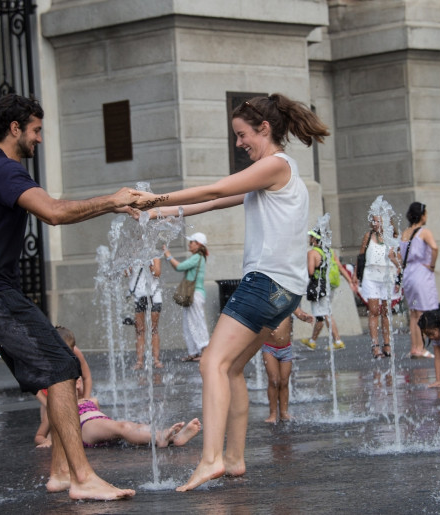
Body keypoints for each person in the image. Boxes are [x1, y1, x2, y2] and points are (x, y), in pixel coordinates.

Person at [133, 93, 329, 491]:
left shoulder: (274, 166)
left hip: (265, 284)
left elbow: (213, 189)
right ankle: (234, 459)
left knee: (211, 364)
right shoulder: (273, 174)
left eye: (242, 135)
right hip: (284, 291)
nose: (238, 143)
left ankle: (210, 460)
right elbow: (216, 202)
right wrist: (154, 212)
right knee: (232, 368)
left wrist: (154, 197)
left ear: (265, 129)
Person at [0, 93, 136, 501]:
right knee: (60, 364)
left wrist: (113, 206)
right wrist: (113, 200)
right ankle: (83, 479)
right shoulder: (4, 171)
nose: (39, 138)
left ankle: (59, 472)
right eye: (35, 130)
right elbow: (53, 212)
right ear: (15, 129)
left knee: (54, 365)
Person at [37, 377, 202, 449]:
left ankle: (170, 437)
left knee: (128, 426)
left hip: (97, 424)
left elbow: (103, 421)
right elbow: (40, 435)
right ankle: (162, 437)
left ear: (78, 383)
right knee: (123, 427)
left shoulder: (91, 401)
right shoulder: (55, 408)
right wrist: (47, 441)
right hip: (83, 428)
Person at [35, 326, 92, 448]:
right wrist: (47, 404)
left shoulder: (75, 351)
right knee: (51, 418)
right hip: (49, 390)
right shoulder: (43, 356)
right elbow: (35, 386)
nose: (67, 355)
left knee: (83, 398)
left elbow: (86, 377)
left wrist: (86, 400)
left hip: (69, 389)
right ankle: (53, 435)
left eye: (69, 351)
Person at [355, 215, 401, 359]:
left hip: (388, 277)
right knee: (374, 310)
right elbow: (361, 256)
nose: (375, 224)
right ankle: (375, 345)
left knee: (386, 312)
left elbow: (399, 262)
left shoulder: (393, 237)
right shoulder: (368, 236)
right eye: (373, 221)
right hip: (371, 276)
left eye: (379, 221)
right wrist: (356, 276)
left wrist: (399, 280)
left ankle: (387, 343)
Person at [302, 228, 354, 351]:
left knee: (325, 313)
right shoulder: (329, 251)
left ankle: (337, 340)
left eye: (311, 237)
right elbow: (340, 267)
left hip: (318, 286)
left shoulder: (312, 253)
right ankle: (312, 341)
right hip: (329, 285)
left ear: (315, 239)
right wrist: (350, 281)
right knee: (321, 313)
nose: (309, 239)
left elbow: (310, 271)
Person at [399, 202, 439, 359]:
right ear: (422, 215)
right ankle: (421, 347)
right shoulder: (424, 232)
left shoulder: (405, 232)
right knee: (423, 312)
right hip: (421, 272)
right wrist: (432, 265)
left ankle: (414, 347)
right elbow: (434, 248)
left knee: (414, 312)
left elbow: (396, 254)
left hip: (408, 273)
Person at [163, 233, 209, 362]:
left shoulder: (197, 257)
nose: (189, 244)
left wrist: (168, 255)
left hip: (195, 294)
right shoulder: (198, 257)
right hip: (193, 294)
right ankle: (194, 351)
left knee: (197, 321)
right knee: (189, 323)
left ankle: (204, 350)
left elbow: (179, 267)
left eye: (191, 242)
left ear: (198, 244)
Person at [262, 307, 313, 423]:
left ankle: (284, 412)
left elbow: (299, 313)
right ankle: (273, 413)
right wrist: (267, 328)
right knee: (274, 380)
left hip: (286, 349)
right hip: (269, 349)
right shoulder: (266, 301)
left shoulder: (288, 302)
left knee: (284, 382)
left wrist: (305, 317)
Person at [128, 258, 163, 370]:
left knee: (154, 328)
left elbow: (157, 273)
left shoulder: (154, 256)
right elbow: (126, 273)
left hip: (153, 293)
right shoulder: (130, 256)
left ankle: (156, 360)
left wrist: (149, 265)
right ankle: (139, 361)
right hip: (137, 295)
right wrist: (128, 267)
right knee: (139, 329)